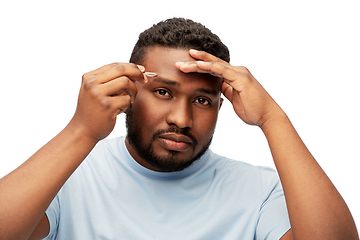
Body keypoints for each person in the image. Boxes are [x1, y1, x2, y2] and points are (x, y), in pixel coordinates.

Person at [0, 18, 358, 240]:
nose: (182, 120)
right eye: (162, 92)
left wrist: (272, 119)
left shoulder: (261, 191)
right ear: (128, 91)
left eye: (202, 100)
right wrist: (80, 131)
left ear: (221, 106)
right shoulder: (67, 177)